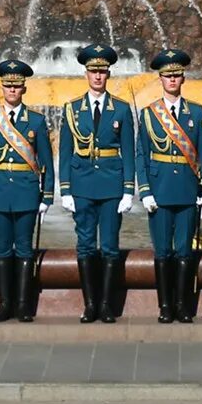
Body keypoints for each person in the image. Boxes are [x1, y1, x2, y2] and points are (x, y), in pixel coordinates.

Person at [57, 44, 135, 325]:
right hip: (82, 186)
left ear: (109, 74)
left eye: (102, 71)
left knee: (111, 247)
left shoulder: (122, 109)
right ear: (86, 73)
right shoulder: (72, 109)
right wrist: (65, 189)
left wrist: (128, 189)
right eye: (93, 71)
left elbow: (129, 150)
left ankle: (106, 305)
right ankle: (89, 305)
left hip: (112, 186)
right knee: (86, 246)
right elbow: (65, 152)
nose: (98, 76)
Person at [0, 59, 50, 323]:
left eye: (16, 86)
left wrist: (47, 196)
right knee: (3, 249)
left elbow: (46, 162)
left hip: (26, 193)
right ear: (2, 88)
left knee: (25, 249)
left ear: (24, 89)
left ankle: (23, 304)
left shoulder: (37, 121)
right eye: (8, 86)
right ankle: (5, 304)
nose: (12, 91)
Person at [137, 48, 202, 324]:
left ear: (183, 79)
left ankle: (183, 306)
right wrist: (144, 191)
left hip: (188, 190)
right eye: (167, 76)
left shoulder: (197, 112)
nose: (172, 80)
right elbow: (142, 154)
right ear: (161, 79)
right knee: (162, 251)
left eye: (177, 76)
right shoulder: (148, 114)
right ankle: (165, 306)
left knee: (184, 250)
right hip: (160, 189)